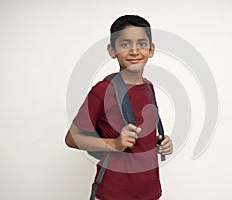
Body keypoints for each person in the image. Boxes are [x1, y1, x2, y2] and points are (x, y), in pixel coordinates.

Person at [65, 15, 173, 200]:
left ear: (151, 49)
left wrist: (159, 141)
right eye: (124, 44)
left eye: (141, 43)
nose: (134, 51)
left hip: (149, 191)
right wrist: (114, 144)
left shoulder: (148, 87)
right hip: (114, 193)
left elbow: (140, 134)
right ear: (112, 50)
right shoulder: (103, 89)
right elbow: (71, 138)